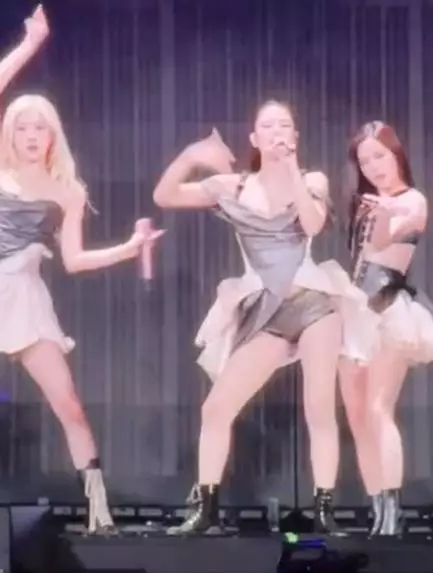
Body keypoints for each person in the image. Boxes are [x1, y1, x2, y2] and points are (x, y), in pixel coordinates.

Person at [153, 101, 366, 536]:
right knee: (216, 408)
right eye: (267, 126)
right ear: (253, 138)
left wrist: (290, 170)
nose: (276, 132)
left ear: (296, 136)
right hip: (266, 309)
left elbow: (312, 224)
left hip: (313, 301)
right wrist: (192, 155)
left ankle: (324, 510)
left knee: (319, 406)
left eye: (285, 125)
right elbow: (165, 196)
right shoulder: (234, 186)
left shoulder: (311, 180)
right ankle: (206, 508)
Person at [0, 6, 163, 533]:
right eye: (21, 126)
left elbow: (72, 260)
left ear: (53, 136)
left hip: (24, 297)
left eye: (40, 128)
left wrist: (129, 247)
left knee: (69, 404)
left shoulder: (68, 191)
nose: (31, 135)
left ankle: (99, 510)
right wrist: (29, 45)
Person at [338, 121, 433, 536]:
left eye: (379, 156)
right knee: (357, 416)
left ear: (396, 154)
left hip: (387, 307)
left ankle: (393, 514)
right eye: (365, 160)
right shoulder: (366, 203)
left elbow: (384, 243)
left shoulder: (412, 200)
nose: (373, 166)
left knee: (379, 408)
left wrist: (384, 214)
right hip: (355, 309)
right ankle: (377, 510)